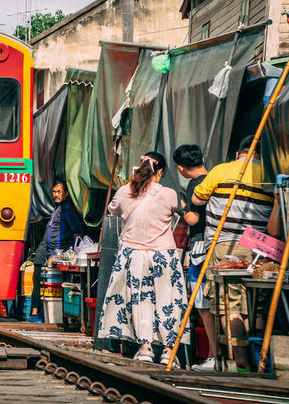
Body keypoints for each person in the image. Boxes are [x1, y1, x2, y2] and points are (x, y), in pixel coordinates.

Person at [97, 152, 189, 365]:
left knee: (140, 301)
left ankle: (145, 349)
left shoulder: (124, 191)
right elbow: (183, 210)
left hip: (134, 255)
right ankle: (168, 352)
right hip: (164, 256)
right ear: (161, 172)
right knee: (169, 302)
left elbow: (114, 210)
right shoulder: (169, 194)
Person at [192, 135, 273, 371]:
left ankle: (243, 362)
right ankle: (258, 359)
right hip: (261, 247)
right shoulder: (269, 176)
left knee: (230, 305)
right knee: (255, 306)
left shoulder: (222, 170)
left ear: (239, 152)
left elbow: (197, 199)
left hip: (226, 246)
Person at [173, 144, 216, 371]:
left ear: (181, 168)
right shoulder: (216, 178)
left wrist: (181, 207)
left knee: (203, 304)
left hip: (200, 246)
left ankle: (213, 357)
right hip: (220, 247)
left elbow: (192, 218)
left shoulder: (194, 184)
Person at [21, 179, 83, 322]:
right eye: (54, 192)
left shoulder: (67, 208)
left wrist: (69, 252)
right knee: (38, 280)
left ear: (66, 193)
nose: (56, 195)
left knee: (50, 283)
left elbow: (77, 231)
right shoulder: (57, 208)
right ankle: (35, 313)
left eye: (59, 192)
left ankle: (43, 315)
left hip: (58, 250)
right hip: (45, 249)